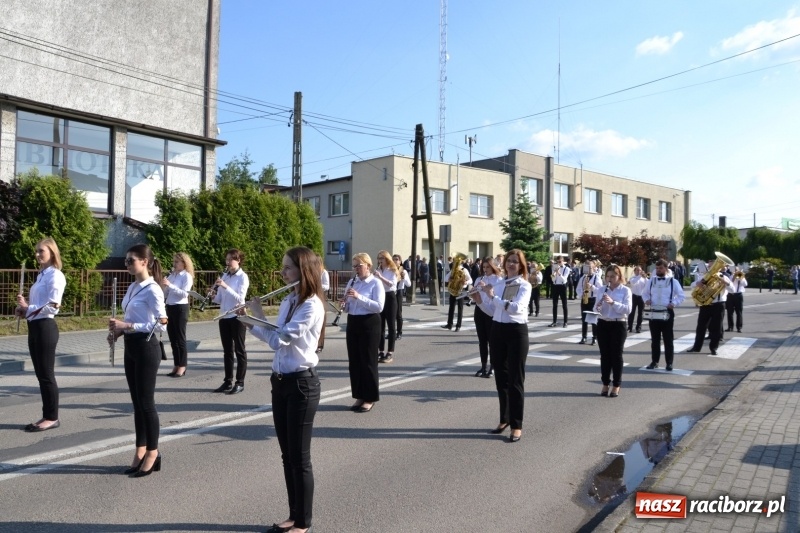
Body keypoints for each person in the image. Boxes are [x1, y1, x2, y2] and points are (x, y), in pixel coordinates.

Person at [245, 247, 323, 533]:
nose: (282, 273)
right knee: (287, 455)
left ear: (303, 271)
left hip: (302, 384)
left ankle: (303, 522)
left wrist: (255, 316)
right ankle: (293, 515)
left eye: (287, 268)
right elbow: (273, 336)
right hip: (280, 382)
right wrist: (250, 322)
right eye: (283, 267)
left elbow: (281, 340)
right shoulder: (289, 301)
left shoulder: (311, 305)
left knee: (300, 458)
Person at [109, 244, 167, 477]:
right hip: (131, 346)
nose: (127, 264)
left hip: (147, 347)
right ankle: (140, 450)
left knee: (146, 403)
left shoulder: (153, 289)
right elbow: (130, 317)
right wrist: (119, 331)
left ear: (144, 261)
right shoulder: (133, 287)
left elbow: (162, 323)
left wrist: (128, 326)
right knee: (136, 404)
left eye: (131, 260)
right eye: (126, 261)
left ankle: (153, 452)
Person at [473, 249, 531, 443]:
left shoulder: (524, 285)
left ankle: (516, 425)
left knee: (515, 380)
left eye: (515, 262)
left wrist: (493, 296)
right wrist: (480, 300)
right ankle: (504, 419)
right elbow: (492, 310)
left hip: (516, 332)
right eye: (508, 261)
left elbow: (516, 309)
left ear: (521, 265)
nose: (511, 264)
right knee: (501, 378)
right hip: (498, 330)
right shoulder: (499, 284)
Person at [16, 238, 66, 432]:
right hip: (34, 326)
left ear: (52, 252)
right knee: (40, 374)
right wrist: (24, 310)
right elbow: (37, 306)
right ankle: (47, 415)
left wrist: (29, 308)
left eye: (41, 251)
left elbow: (53, 306)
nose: (37, 255)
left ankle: (51, 417)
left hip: (46, 327)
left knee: (46, 375)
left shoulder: (55, 275)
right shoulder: (41, 275)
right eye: (36, 251)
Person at [342, 253, 385, 413]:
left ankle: (370, 397)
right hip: (354, 322)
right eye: (354, 266)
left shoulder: (376, 283)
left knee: (368, 361)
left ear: (368, 265)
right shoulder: (352, 282)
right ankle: (359, 395)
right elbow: (348, 307)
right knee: (355, 361)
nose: (356, 269)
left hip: (369, 323)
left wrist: (359, 297)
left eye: (358, 266)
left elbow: (379, 307)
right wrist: (344, 304)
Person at [212, 249, 250, 394]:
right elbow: (221, 299)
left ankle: (240, 382)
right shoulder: (225, 276)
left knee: (239, 350)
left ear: (238, 260)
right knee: (227, 351)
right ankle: (227, 381)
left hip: (237, 316)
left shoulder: (243, 277)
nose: (227, 263)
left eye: (230, 260)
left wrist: (225, 287)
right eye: (226, 260)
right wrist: (213, 295)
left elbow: (240, 299)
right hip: (224, 316)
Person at [594, 265, 632, 398]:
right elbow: (595, 308)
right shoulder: (601, 289)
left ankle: (616, 385)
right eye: (607, 276)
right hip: (603, 323)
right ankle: (605, 383)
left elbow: (628, 309)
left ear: (619, 277)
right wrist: (598, 306)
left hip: (618, 324)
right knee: (604, 356)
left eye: (612, 276)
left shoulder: (625, 291)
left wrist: (612, 303)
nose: (609, 279)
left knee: (616, 356)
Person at [642, 259, 686, 371]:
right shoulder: (651, 281)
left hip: (667, 312)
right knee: (655, 339)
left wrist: (674, 303)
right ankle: (654, 361)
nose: (658, 270)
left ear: (666, 269)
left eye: (660, 268)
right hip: (654, 311)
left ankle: (669, 363)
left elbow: (681, 296)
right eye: (657, 268)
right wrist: (646, 300)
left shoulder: (673, 282)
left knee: (668, 339)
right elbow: (644, 294)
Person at [161, 252, 194, 377]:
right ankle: (176, 364)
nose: (174, 264)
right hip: (170, 307)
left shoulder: (186, 276)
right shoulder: (173, 275)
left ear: (184, 263)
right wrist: (164, 288)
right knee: (172, 339)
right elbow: (167, 292)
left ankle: (183, 365)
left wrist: (170, 285)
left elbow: (184, 294)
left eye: (176, 262)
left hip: (181, 308)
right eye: (173, 262)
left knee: (180, 339)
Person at [687, 271, 733, 355]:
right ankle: (696, 347)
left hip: (719, 305)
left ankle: (714, 348)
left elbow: (732, 290)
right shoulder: (706, 276)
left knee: (717, 327)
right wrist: (698, 283)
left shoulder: (724, 277)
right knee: (701, 327)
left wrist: (725, 283)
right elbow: (692, 285)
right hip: (705, 305)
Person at [471, 257, 502, 378]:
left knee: (492, 341)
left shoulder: (499, 280)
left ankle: (492, 367)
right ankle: (483, 366)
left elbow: (495, 296)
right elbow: (476, 296)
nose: (485, 269)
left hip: (492, 311)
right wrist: (473, 291)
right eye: (483, 267)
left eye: (488, 267)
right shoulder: (479, 279)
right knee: (482, 341)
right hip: (479, 311)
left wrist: (486, 288)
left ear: (493, 267)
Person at [374, 250, 398, 364]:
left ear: (387, 259)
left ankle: (390, 352)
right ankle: (381, 351)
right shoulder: (378, 270)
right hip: (380, 297)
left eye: (382, 258)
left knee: (391, 326)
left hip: (390, 297)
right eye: (379, 258)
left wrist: (380, 277)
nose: (380, 260)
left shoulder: (392, 270)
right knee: (380, 325)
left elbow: (392, 284)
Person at [441, 257, 472, 332]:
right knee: (451, 308)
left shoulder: (464, 270)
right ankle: (449, 324)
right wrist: (449, 279)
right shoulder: (453, 270)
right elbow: (445, 278)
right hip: (453, 291)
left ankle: (458, 325)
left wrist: (466, 282)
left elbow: (471, 280)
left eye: (456, 262)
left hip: (461, 291)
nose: (454, 263)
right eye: (454, 262)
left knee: (460, 308)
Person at [577, 261, 604, 345]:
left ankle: (594, 337)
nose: (588, 270)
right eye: (586, 268)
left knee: (593, 320)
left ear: (593, 268)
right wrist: (581, 294)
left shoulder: (597, 278)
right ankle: (584, 337)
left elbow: (600, 290)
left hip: (593, 299)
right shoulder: (583, 278)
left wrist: (591, 287)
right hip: (585, 299)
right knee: (584, 319)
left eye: (590, 268)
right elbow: (578, 288)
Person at [393, 254, 410, 340]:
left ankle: (399, 332)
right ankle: (391, 332)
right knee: (390, 314)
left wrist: (404, 278)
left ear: (400, 261)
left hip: (399, 292)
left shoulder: (404, 271)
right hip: (391, 292)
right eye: (394, 259)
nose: (395, 261)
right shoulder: (390, 270)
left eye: (397, 259)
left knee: (398, 314)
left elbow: (409, 284)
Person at [549, 256, 570, 327]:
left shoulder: (566, 269)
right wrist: (554, 273)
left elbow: (564, 280)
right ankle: (554, 321)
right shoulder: (554, 268)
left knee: (564, 305)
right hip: (555, 286)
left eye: (560, 261)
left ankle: (565, 322)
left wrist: (559, 273)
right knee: (554, 305)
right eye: (557, 262)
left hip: (562, 286)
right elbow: (552, 279)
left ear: (563, 261)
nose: (558, 263)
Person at [627, 266, 647, 333]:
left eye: (640, 270)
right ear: (635, 271)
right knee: (631, 312)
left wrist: (645, 277)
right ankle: (630, 327)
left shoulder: (644, 278)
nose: (639, 272)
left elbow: (647, 286)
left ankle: (638, 327)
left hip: (641, 297)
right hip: (634, 296)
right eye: (637, 270)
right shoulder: (633, 278)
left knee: (640, 313)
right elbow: (633, 283)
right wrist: (639, 276)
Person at [726, 268, 747, 333]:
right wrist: (734, 278)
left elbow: (745, 284)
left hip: (738, 295)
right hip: (730, 295)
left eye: (737, 270)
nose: (735, 271)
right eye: (734, 270)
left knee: (739, 312)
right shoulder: (730, 276)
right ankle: (730, 327)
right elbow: (729, 285)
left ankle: (739, 327)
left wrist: (741, 279)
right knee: (729, 312)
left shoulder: (741, 276)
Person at [316, 258, 330, 354]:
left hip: (321, 296)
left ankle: (320, 344)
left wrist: (317, 286)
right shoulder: (311, 272)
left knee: (321, 322)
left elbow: (327, 286)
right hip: (312, 296)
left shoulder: (323, 272)